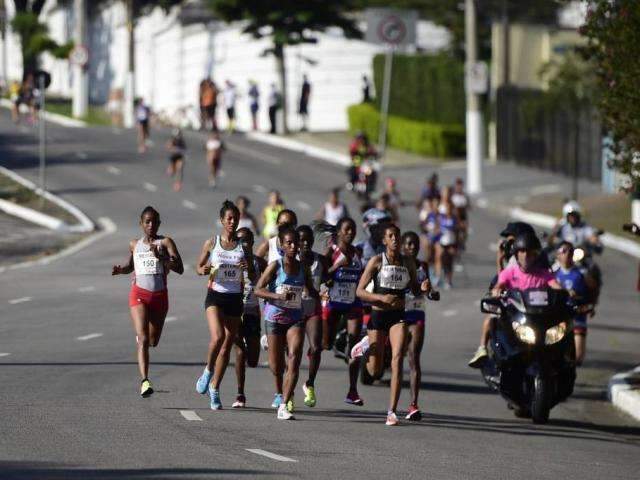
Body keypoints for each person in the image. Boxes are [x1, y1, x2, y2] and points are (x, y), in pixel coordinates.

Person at [351, 224, 431, 426]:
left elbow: (414, 289)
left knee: (397, 360)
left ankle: (391, 412)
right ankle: (365, 346)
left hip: (398, 317)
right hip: (378, 317)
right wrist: (380, 298)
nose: (395, 239)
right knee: (375, 372)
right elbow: (359, 291)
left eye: (397, 235)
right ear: (385, 241)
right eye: (391, 236)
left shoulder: (408, 263)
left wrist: (422, 288)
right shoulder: (377, 262)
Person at [111, 206, 184, 397]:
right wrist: (121, 270)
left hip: (159, 296)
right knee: (143, 339)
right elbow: (130, 266)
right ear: (141, 224)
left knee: (153, 341)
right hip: (139, 294)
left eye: (154, 221)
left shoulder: (166, 242)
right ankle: (145, 381)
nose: (151, 225)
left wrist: (163, 257)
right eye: (147, 222)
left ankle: (142, 339)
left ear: (159, 223)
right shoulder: (135, 244)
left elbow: (180, 267)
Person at [195, 201, 256, 410]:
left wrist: (248, 267)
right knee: (218, 336)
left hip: (235, 298)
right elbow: (198, 267)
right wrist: (205, 269)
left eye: (235, 218)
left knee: (227, 346)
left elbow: (253, 275)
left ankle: (215, 388)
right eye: (229, 218)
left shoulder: (243, 247)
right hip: (215, 296)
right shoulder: (212, 243)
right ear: (222, 220)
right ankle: (207, 371)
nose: (232, 222)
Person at [254, 226, 319, 420]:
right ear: (281, 246)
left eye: (295, 243)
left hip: (294, 319)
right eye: (288, 243)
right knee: (277, 367)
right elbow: (258, 289)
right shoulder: (275, 265)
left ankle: (284, 404)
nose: (293, 246)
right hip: (274, 318)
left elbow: (310, 289)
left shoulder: (303, 268)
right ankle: (270, 347)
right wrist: (277, 296)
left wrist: (320, 293)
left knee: (294, 358)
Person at [468, 222, 537, 367]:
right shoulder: (513, 260)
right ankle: (483, 349)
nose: (508, 244)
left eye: (512, 240)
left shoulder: (533, 259)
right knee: (493, 316)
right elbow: (502, 280)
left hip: (533, 306)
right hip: (516, 304)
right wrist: (499, 261)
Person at [320, 217, 365, 405]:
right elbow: (322, 275)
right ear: (338, 232)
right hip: (333, 303)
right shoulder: (331, 251)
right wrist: (337, 265)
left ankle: (352, 391)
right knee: (325, 344)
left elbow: (363, 275)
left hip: (353, 303)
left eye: (353, 230)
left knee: (355, 346)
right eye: (346, 229)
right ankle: (335, 344)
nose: (350, 233)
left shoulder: (357, 252)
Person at [232, 227, 267, 408]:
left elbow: (265, 282)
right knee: (239, 351)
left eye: (246, 240)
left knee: (252, 360)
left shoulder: (259, 262)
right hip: (235, 310)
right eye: (238, 241)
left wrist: (250, 269)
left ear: (252, 242)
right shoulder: (231, 260)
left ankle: (257, 344)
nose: (242, 244)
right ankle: (240, 394)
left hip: (252, 309)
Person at [401, 231, 434, 420]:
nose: (412, 247)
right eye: (409, 244)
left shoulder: (423, 266)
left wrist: (431, 294)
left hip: (417, 315)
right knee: (396, 359)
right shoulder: (398, 265)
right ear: (403, 246)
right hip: (400, 316)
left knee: (414, 359)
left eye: (415, 244)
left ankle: (413, 405)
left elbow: (428, 289)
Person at [297, 225, 327, 407]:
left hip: (313, 309)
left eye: (309, 239)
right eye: (302, 240)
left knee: (316, 348)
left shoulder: (320, 260)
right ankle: (287, 394)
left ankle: (310, 384)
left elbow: (328, 279)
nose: (306, 243)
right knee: (294, 352)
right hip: (294, 310)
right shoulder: (290, 261)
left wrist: (326, 288)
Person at [555, 241, 595, 366]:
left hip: (577, 317)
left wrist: (590, 305)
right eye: (563, 251)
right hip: (558, 318)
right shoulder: (552, 273)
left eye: (570, 251)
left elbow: (592, 289)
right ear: (557, 255)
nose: (567, 254)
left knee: (578, 357)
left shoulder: (581, 272)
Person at [435, 201, 458, 289]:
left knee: (449, 262)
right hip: (442, 242)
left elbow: (457, 232)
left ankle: (448, 280)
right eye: (447, 209)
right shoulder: (441, 218)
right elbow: (437, 230)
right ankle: (438, 277)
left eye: (450, 209)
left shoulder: (454, 219)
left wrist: (456, 245)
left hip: (451, 243)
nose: (448, 210)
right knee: (440, 259)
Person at [451, 178, 470, 250]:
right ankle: (455, 244)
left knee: (465, 230)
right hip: (454, 216)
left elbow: (468, 205)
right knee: (455, 231)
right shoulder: (452, 195)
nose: (459, 187)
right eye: (458, 185)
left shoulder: (464, 195)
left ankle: (462, 243)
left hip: (463, 216)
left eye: (460, 186)